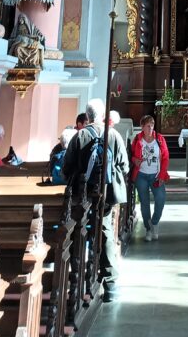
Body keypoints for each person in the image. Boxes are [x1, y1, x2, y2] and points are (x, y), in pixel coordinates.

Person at [62, 98, 129, 303]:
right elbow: (125, 166)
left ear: (87, 116)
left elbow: (67, 167)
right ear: (102, 115)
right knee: (106, 230)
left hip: (82, 193)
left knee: (78, 229)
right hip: (107, 194)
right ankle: (109, 283)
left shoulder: (79, 136)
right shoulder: (114, 135)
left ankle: (76, 274)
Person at [130, 115, 169, 241]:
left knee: (161, 198)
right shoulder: (137, 139)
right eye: (148, 126)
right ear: (142, 127)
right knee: (144, 204)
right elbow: (131, 154)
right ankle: (148, 229)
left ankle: (154, 223)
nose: (151, 128)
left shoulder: (160, 139)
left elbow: (165, 157)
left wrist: (162, 174)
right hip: (141, 175)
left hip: (156, 175)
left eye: (152, 125)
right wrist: (134, 159)